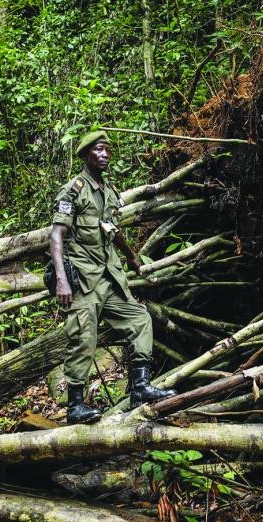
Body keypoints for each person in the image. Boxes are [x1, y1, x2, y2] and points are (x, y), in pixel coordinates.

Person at [50, 130, 176, 424]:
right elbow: (56, 235)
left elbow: (111, 229)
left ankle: (140, 387)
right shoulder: (73, 190)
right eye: (98, 150)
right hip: (82, 278)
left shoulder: (108, 191)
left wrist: (131, 255)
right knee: (83, 336)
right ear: (85, 156)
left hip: (110, 277)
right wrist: (61, 280)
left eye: (107, 150)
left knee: (139, 318)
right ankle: (75, 406)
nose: (105, 154)